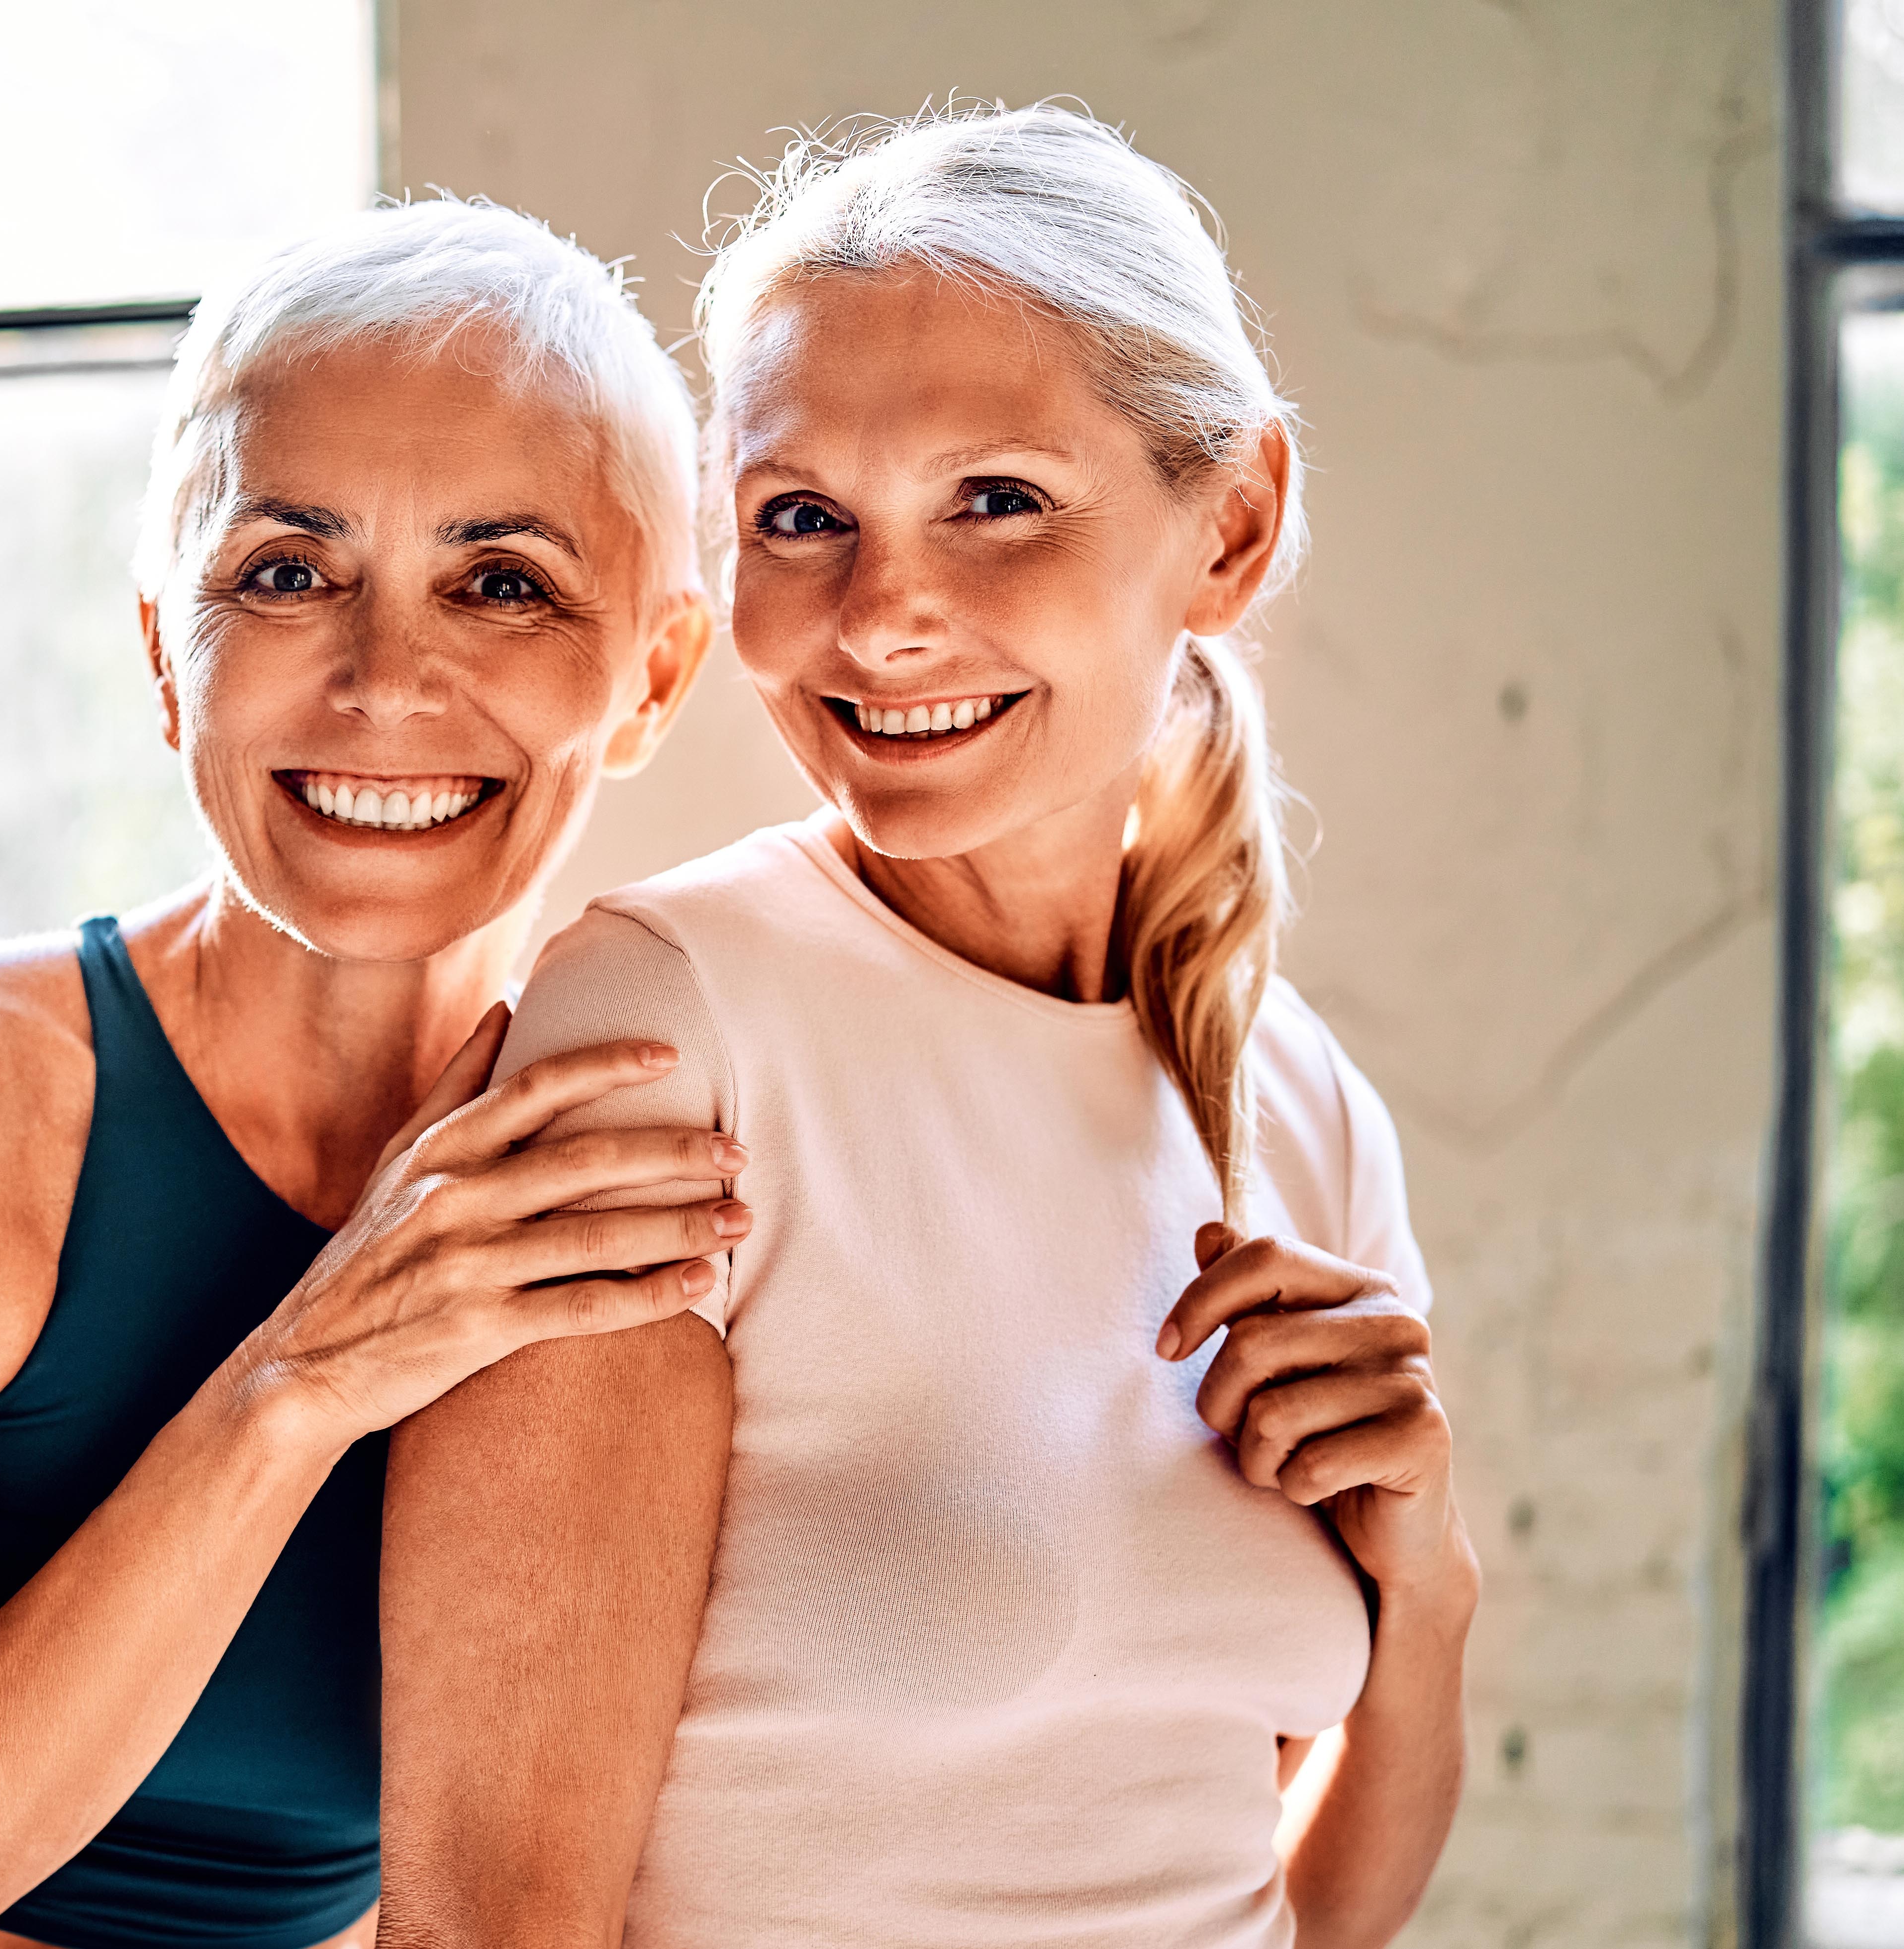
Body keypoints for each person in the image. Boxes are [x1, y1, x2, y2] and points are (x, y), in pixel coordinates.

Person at [379, 106, 1477, 1948]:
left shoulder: (1293, 1103)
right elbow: (489, 1918)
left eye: (996, 499)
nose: (882, 617)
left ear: (1233, 526)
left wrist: (1423, 1573)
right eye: (799, 518)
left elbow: (1320, 1911)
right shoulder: (665, 1025)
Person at [0, 196, 740, 1949]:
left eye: (502, 583)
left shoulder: (595, 1179)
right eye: (288, 572)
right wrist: (308, 1370)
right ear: (168, 647)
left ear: (652, 673)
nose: (386, 681)